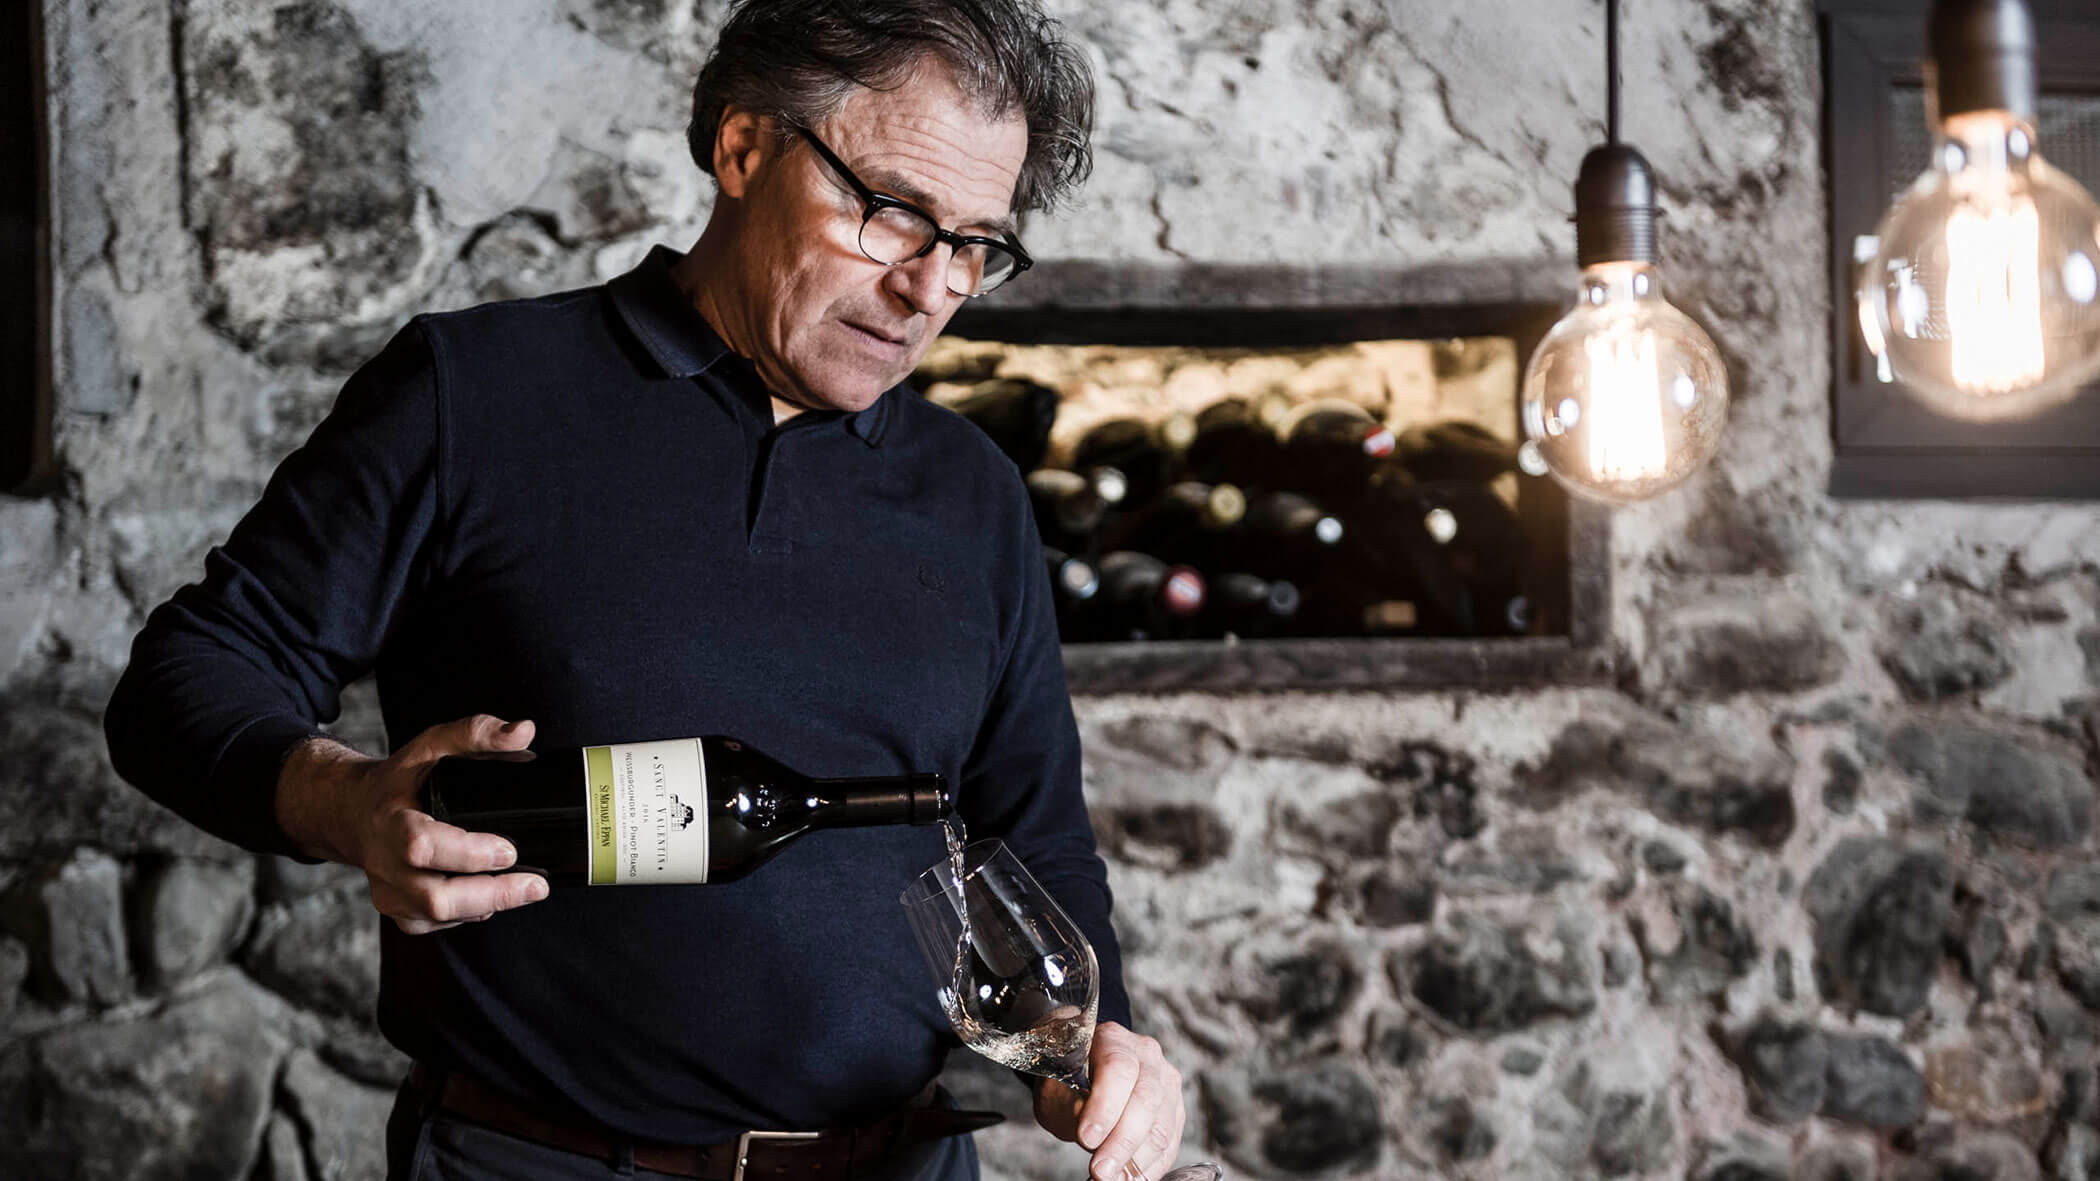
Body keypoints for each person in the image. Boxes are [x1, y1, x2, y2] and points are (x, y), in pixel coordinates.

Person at [101, 1, 1188, 1178]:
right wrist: (347, 800)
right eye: (893, 215)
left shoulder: (971, 491)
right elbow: (183, 678)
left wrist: (1100, 1043)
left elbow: (1033, 838)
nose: (935, 287)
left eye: (977, 244)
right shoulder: (476, 395)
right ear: (743, 147)